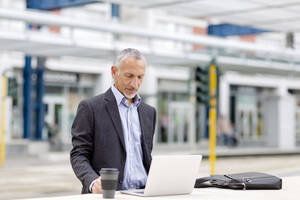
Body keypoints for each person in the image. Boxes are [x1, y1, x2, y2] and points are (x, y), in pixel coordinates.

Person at [70, 48, 156, 194]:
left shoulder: (149, 112)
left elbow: (145, 157)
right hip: (109, 195)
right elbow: (79, 154)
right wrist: (92, 181)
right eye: (129, 76)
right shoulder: (90, 108)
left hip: (143, 193)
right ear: (114, 72)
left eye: (140, 77)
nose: (134, 84)